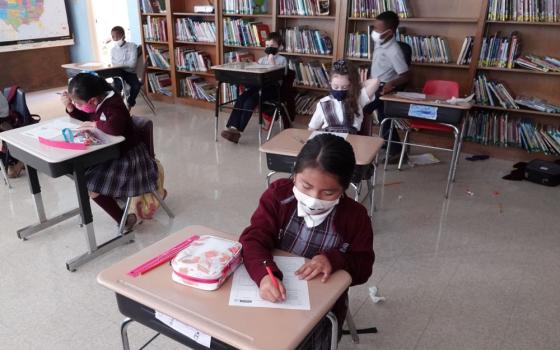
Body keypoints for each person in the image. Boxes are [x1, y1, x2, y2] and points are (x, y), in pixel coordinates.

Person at [239, 134, 375, 349]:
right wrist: (265, 275)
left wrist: (334, 259)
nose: (314, 198)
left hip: (321, 303)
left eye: (329, 192)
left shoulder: (355, 217)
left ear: (344, 188)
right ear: (294, 174)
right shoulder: (278, 195)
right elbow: (253, 239)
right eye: (306, 186)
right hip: (273, 284)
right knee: (246, 336)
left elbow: (363, 267)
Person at [60, 73, 158, 230]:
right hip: (112, 152)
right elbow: (85, 117)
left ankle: (123, 220)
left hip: (130, 159)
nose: (78, 106)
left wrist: (95, 124)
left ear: (92, 100)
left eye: (78, 103)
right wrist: (71, 108)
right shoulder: (97, 101)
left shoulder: (113, 103)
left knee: (88, 184)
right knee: (82, 173)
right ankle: (115, 204)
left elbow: (113, 127)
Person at [220, 32, 287, 144]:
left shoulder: (282, 59)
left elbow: (280, 76)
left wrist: (272, 63)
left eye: (272, 45)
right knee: (242, 98)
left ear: (279, 46)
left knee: (250, 102)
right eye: (267, 45)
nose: (269, 48)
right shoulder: (261, 60)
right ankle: (232, 127)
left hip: (273, 89)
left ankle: (238, 132)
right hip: (258, 86)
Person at [364, 10, 411, 163]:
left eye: (378, 30)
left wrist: (391, 84)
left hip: (384, 89)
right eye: (374, 28)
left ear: (389, 32)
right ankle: (394, 148)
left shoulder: (394, 51)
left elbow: (405, 75)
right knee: (385, 117)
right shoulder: (380, 42)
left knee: (363, 110)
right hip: (373, 84)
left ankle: (394, 151)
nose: (374, 32)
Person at [308, 59, 379, 134]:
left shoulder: (358, 98)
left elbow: (376, 82)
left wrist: (356, 85)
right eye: (335, 87)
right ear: (330, 83)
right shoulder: (323, 103)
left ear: (350, 85)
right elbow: (312, 128)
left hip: (351, 141)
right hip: (329, 140)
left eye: (344, 87)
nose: (339, 90)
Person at [110, 26, 141, 109]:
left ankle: (130, 103)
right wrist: (124, 64)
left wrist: (120, 64)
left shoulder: (132, 46)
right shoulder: (113, 50)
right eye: (113, 36)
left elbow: (132, 64)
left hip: (129, 72)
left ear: (123, 36)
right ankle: (118, 107)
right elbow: (113, 64)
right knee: (116, 87)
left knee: (136, 86)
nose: (115, 39)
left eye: (117, 36)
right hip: (117, 72)